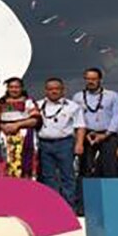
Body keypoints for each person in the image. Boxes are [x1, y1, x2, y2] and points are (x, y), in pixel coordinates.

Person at [36, 78, 85, 207]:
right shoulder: (38, 105)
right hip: (44, 143)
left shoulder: (72, 106)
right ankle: (52, 205)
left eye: (57, 89)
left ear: (63, 90)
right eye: (50, 89)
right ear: (46, 90)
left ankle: (69, 206)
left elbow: (80, 126)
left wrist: (79, 144)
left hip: (65, 143)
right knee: (48, 176)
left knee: (67, 176)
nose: (54, 91)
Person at [71, 68, 118, 178]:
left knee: (109, 167)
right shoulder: (78, 97)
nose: (91, 81)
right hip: (86, 135)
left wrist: (105, 135)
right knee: (85, 167)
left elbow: (117, 116)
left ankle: (110, 192)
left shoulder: (112, 96)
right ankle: (84, 193)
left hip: (108, 135)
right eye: (88, 79)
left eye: (94, 79)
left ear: (100, 80)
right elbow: (75, 119)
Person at [0, 78, 42, 179]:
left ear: (22, 88)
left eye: (17, 87)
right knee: (6, 163)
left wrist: (17, 125)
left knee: (25, 164)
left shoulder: (29, 102)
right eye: (11, 87)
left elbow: (35, 120)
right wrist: (2, 126)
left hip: (24, 136)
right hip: (5, 137)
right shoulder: (1, 102)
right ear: (7, 88)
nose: (14, 90)